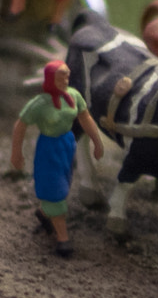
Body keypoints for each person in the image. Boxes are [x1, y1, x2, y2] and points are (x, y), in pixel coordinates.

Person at [11, 60, 105, 258]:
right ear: (50, 78)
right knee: (55, 192)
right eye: (61, 76)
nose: (65, 80)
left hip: (67, 145)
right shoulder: (40, 104)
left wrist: (97, 141)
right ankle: (63, 239)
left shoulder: (74, 96)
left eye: (67, 76)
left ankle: (45, 214)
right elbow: (20, 125)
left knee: (62, 186)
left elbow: (85, 117)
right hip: (49, 149)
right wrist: (16, 153)